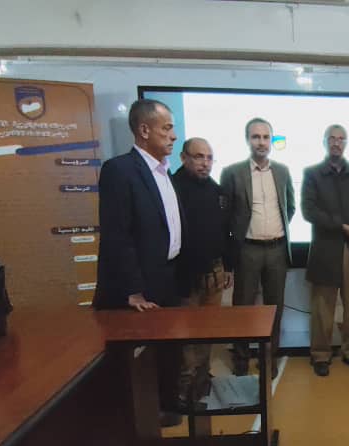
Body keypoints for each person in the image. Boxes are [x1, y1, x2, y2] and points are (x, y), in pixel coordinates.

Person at [93, 98, 184, 425]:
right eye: (167, 128)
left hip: (167, 275)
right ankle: (143, 413)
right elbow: (117, 235)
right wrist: (133, 290)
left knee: (168, 348)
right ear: (144, 130)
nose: (174, 136)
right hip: (140, 284)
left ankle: (169, 402)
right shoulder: (120, 170)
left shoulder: (164, 171)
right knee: (141, 354)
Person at [220, 118, 295, 376]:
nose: (261, 142)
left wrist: (275, 230)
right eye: (255, 137)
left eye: (265, 137)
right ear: (247, 140)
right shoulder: (232, 172)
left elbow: (290, 207)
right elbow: (226, 215)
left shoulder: (283, 171)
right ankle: (241, 358)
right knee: (243, 307)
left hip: (277, 250)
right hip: (247, 250)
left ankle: (269, 357)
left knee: (275, 308)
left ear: (271, 140)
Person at [302, 125, 349, 377]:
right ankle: (320, 354)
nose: (336, 143)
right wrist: (342, 226)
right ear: (324, 142)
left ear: (346, 143)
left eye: (341, 139)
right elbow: (308, 211)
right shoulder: (312, 173)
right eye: (332, 138)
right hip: (325, 249)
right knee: (322, 308)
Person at [172, 137, 233, 414]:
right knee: (186, 337)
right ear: (184, 158)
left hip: (215, 272)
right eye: (198, 157)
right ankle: (182, 392)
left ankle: (201, 382)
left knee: (208, 331)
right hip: (184, 276)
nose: (205, 163)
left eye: (209, 158)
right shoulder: (171, 189)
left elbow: (225, 231)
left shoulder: (217, 191)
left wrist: (228, 266)